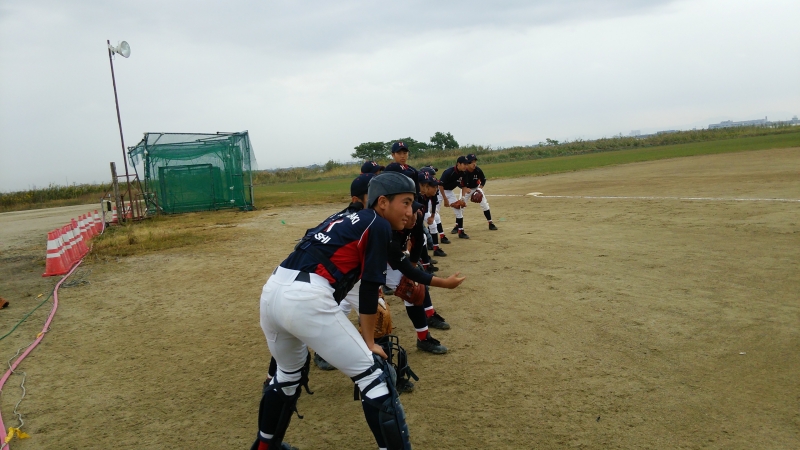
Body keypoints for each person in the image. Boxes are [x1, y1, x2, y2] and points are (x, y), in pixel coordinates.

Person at [253, 172, 419, 450]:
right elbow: (369, 288)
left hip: (273, 290)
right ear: (382, 202)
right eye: (406, 202)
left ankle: (265, 447)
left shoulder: (343, 217)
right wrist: (369, 342)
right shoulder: (377, 223)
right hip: (305, 297)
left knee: (287, 376)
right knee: (375, 377)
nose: (410, 211)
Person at [462, 153, 498, 231]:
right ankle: (457, 225)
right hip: (466, 189)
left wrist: (479, 189)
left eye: (475, 161)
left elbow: (483, 180)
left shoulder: (478, 170)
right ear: (467, 163)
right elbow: (459, 183)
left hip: (476, 187)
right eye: (472, 162)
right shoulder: (464, 172)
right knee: (461, 206)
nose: (474, 164)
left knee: (485, 204)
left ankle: (490, 223)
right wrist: (465, 189)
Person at [438, 156, 470, 239]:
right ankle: (433, 233)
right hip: (439, 191)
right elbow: (440, 185)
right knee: (435, 212)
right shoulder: (449, 172)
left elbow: (464, 186)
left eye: (467, 164)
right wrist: (445, 199)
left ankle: (461, 232)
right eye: (464, 164)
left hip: (449, 191)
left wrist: (463, 198)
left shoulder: (464, 173)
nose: (466, 166)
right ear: (458, 164)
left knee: (459, 210)